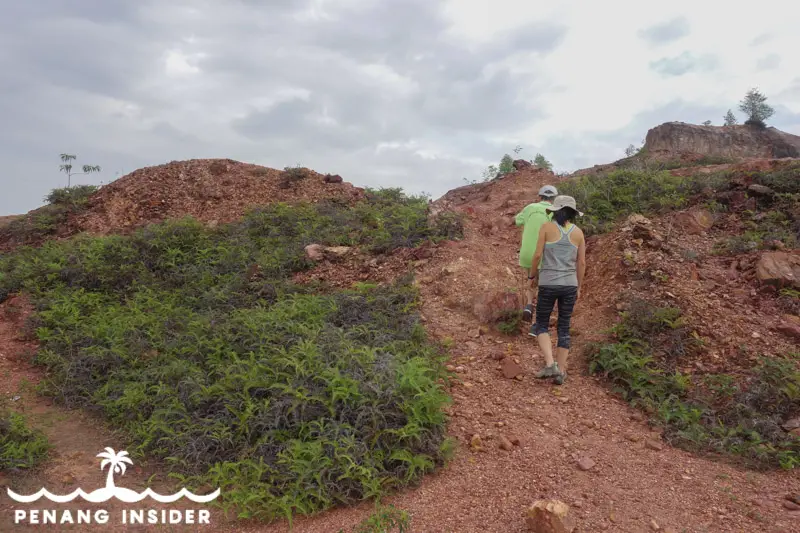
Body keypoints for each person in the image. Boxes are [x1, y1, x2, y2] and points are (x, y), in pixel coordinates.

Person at [528, 195, 586, 385]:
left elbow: (537, 255)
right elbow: (582, 262)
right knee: (564, 326)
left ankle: (550, 363)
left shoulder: (547, 227)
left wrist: (531, 276)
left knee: (542, 324)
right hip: (570, 285)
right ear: (572, 213)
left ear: (555, 210)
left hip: (548, 283)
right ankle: (561, 371)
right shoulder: (579, 233)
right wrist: (579, 286)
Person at [515, 185, 558, 324]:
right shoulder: (554, 211)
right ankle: (537, 320)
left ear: (539, 197)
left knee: (531, 277)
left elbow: (517, 221)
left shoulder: (529, 208)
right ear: (554, 199)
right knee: (542, 284)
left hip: (527, 252)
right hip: (543, 253)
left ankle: (528, 304)